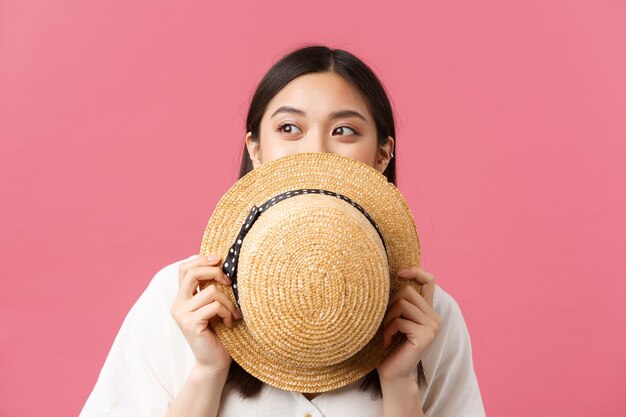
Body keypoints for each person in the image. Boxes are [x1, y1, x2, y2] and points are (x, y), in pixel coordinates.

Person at [79, 44, 486, 417]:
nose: (315, 151)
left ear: (381, 155)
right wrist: (206, 373)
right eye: (290, 128)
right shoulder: (179, 301)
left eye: (344, 130)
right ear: (256, 149)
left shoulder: (427, 318)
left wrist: (400, 385)